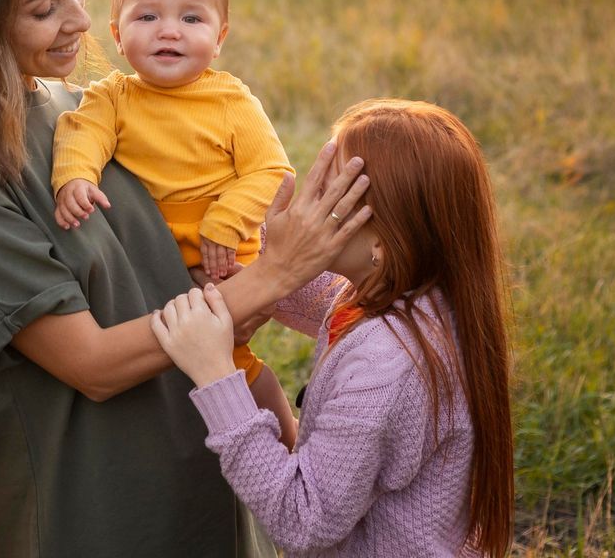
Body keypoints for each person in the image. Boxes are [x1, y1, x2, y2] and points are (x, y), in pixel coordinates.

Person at [0, 0, 374, 558]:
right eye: (44, 8)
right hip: (104, 513)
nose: (81, 21)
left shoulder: (72, 107)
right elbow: (92, 363)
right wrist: (272, 276)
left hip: (207, 462)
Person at [150, 99, 515, 557]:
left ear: (381, 239)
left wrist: (216, 374)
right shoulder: (406, 297)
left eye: (327, 195)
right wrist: (257, 240)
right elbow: (306, 292)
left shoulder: (387, 367)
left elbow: (303, 521)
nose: (308, 208)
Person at [51, 0, 298, 442]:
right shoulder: (113, 96)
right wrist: (74, 177)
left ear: (220, 35)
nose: (169, 32)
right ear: (118, 36)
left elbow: (271, 172)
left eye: (191, 18)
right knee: (174, 360)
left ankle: (290, 442)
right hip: (151, 259)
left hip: (221, 257)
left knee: (235, 360)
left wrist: (226, 222)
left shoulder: (230, 100)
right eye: (148, 18)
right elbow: (83, 132)